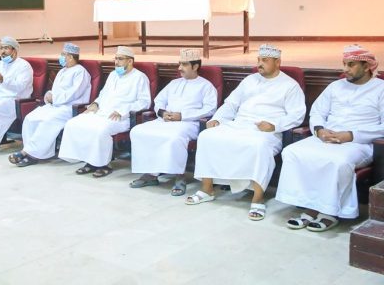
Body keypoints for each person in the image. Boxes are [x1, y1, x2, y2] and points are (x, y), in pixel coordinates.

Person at [186, 44, 306, 221]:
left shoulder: (290, 85)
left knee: (259, 145)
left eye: (264, 60)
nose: (260, 64)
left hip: (266, 131)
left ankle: (257, 198)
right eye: (258, 60)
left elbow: (297, 115)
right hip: (239, 124)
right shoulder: (249, 80)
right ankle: (207, 189)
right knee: (206, 136)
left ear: (277, 62)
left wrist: (274, 125)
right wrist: (218, 119)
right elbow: (231, 104)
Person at [276, 45, 384, 231]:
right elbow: (317, 112)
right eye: (344, 64)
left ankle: (331, 212)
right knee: (292, 152)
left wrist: (350, 135)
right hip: (327, 137)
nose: (345, 69)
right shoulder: (335, 86)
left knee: (337, 161)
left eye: (351, 65)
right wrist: (319, 130)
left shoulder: (380, 89)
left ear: (366, 66)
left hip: (359, 142)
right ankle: (308, 206)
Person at [129, 49, 217, 196]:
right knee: (137, 131)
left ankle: (179, 176)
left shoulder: (206, 86)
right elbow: (159, 101)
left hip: (189, 123)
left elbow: (210, 109)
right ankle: (151, 174)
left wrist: (182, 116)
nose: (179, 68)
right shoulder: (174, 83)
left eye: (184, 64)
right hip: (165, 120)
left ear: (195, 66)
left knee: (174, 137)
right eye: (179, 64)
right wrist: (163, 113)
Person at [58, 46, 151, 177]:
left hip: (121, 117)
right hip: (101, 112)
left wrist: (122, 111)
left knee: (100, 130)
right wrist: (95, 104)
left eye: (120, 59)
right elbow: (102, 94)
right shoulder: (113, 75)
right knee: (73, 123)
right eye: (115, 59)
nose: (116, 62)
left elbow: (144, 102)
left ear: (130, 61)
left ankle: (104, 165)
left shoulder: (140, 77)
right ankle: (89, 161)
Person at [9, 43, 91, 167]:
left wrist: (55, 98)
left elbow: (75, 93)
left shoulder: (81, 72)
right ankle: (31, 150)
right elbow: (55, 90)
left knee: (47, 121)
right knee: (30, 118)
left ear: (70, 57)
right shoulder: (62, 71)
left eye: (63, 54)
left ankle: (29, 154)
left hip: (70, 108)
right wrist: (49, 95)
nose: (61, 57)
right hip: (55, 105)